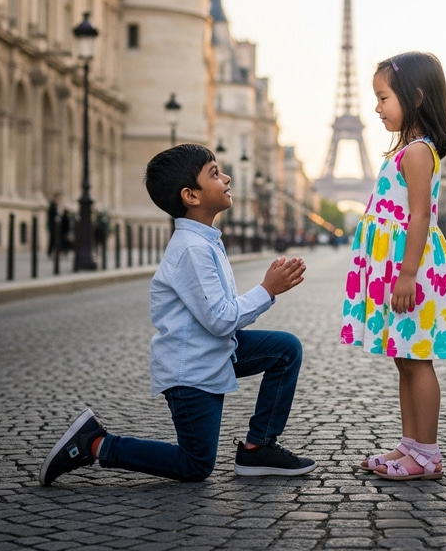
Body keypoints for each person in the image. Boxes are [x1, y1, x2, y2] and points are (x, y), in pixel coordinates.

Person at [39, 143, 316, 486]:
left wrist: (268, 290)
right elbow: (220, 319)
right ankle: (95, 443)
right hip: (192, 372)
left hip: (214, 353)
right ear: (191, 195)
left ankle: (258, 447)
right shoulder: (191, 249)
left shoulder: (205, 240)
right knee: (194, 466)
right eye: (215, 173)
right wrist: (267, 289)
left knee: (285, 350)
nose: (226, 177)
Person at [340, 51, 446, 480]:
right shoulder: (405, 151)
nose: (376, 107)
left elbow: (420, 217)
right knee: (404, 358)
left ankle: (427, 453)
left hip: (411, 270)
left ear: (414, 97)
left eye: (383, 97)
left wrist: (406, 273)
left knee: (417, 358)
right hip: (396, 268)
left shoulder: (416, 153)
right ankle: (410, 444)